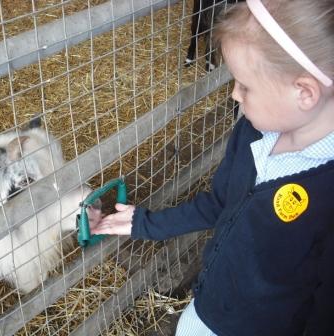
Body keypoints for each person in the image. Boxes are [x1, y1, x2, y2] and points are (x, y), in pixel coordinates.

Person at [90, 0, 334, 335]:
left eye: (245, 86)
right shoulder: (251, 132)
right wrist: (146, 223)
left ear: (304, 93)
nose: (234, 95)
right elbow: (221, 203)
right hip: (209, 306)